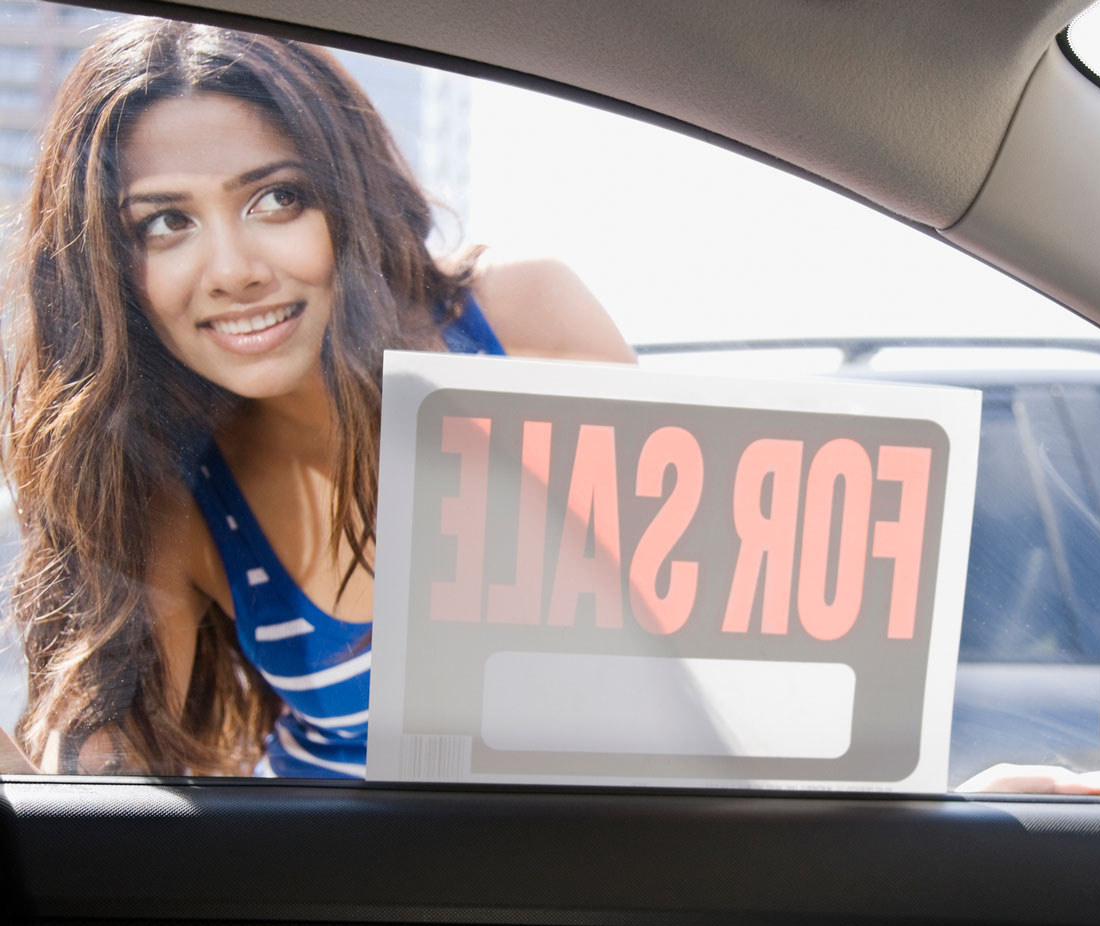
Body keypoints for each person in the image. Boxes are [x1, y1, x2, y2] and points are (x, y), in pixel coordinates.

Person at [0, 18, 631, 777]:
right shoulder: (178, 488)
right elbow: (105, 772)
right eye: (167, 223)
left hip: (584, 868)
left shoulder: (521, 319)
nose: (232, 270)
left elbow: (706, 634)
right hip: (325, 879)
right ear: (112, 272)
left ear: (348, 197)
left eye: (276, 199)